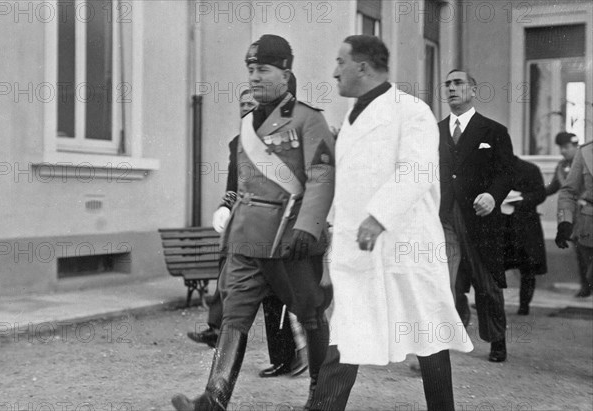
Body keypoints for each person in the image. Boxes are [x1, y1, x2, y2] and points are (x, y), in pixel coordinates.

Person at [307, 35, 473, 411]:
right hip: (360, 250)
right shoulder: (351, 119)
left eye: (340, 61)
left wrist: (379, 217)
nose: (334, 72)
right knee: (346, 336)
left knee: (428, 336)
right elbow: (348, 186)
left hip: (407, 248)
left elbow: (416, 171)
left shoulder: (411, 111)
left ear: (362, 67)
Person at [172, 34, 335, 411]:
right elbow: (242, 184)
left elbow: (322, 178)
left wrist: (307, 228)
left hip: (288, 237)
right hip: (247, 239)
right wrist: (229, 224)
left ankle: (321, 394)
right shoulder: (247, 126)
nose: (254, 76)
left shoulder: (309, 120)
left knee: (310, 314)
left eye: (263, 69)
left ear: (285, 72)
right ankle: (214, 398)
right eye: (250, 69)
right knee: (235, 316)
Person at [188, 87, 308, 379]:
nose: (244, 108)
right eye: (241, 104)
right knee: (246, 288)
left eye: (250, 103)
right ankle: (269, 355)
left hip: (278, 227)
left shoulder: (283, 139)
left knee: (283, 297)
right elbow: (234, 185)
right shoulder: (237, 142)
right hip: (247, 227)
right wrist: (224, 206)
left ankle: (304, 356)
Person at [439, 69, 515, 363]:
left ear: (473, 90)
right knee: (448, 280)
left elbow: (507, 172)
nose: (451, 89)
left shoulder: (493, 131)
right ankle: (450, 334)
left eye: (458, 83)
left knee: (487, 283)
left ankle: (496, 340)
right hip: (444, 215)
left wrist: (493, 196)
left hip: (480, 218)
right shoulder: (435, 130)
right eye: (447, 84)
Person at [547, 132, 591, 297]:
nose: (563, 151)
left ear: (575, 146)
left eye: (566, 147)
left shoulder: (587, 160)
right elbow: (553, 188)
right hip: (577, 218)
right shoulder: (562, 167)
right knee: (581, 253)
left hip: (588, 213)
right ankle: (586, 287)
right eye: (561, 148)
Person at [502, 156, 547, 315]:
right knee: (496, 266)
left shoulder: (529, 169)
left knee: (528, 268)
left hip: (526, 226)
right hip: (503, 225)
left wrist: (521, 199)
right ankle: (494, 302)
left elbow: (540, 193)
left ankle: (524, 305)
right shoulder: (490, 168)